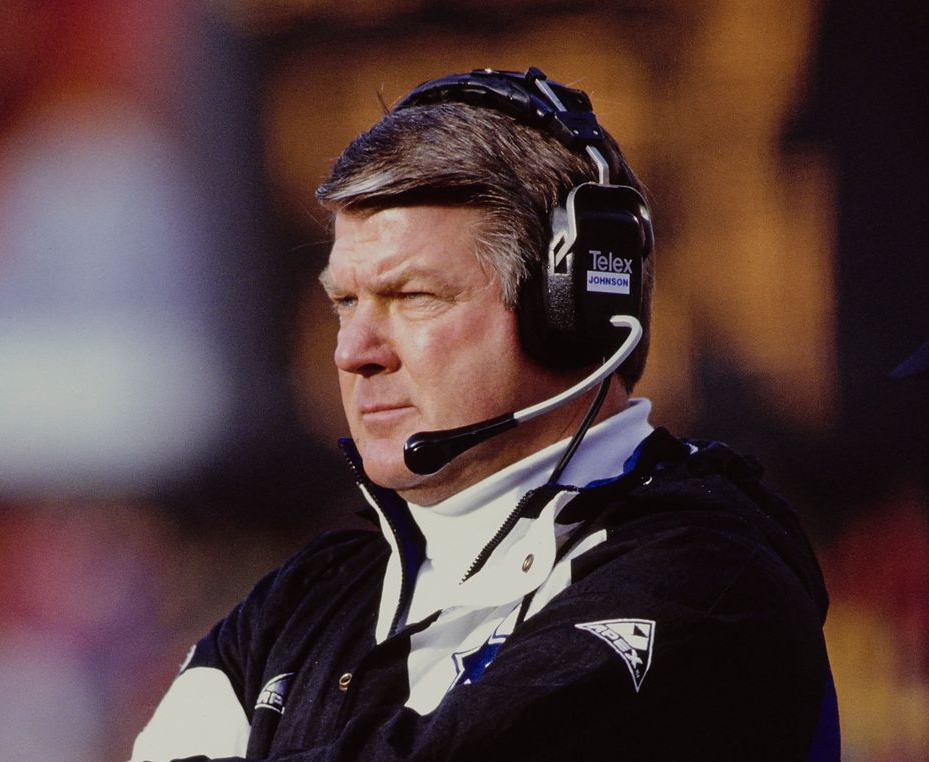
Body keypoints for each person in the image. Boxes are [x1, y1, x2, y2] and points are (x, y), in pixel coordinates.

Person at [128, 67, 840, 761]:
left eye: (413, 298)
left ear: (572, 312)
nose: (352, 352)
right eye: (345, 303)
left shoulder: (708, 582)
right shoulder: (297, 607)